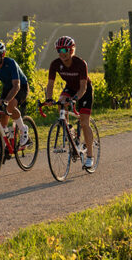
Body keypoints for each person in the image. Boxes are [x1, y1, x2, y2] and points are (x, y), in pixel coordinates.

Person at [44, 36, 95, 169]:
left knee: (84, 122)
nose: (62, 53)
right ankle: (70, 132)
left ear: (71, 50)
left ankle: (90, 156)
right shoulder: (55, 64)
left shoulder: (80, 63)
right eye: (59, 50)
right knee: (61, 102)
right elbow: (50, 84)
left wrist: (75, 99)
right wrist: (49, 99)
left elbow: (83, 87)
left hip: (84, 91)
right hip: (70, 88)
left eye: (65, 49)